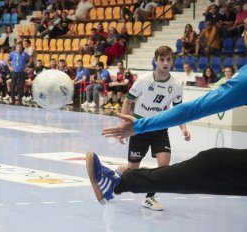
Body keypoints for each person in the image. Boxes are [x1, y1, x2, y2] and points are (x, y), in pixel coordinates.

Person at [86, 64, 247, 204]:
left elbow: (195, 108)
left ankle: (120, 183)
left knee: (212, 164)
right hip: (150, 129)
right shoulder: (145, 80)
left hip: (154, 129)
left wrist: (139, 126)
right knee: (213, 162)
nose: (243, 32)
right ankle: (121, 182)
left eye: (245, 27)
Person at [116, 46, 191, 210]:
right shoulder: (143, 80)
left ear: (172, 61)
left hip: (160, 128)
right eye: (162, 59)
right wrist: (124, 128)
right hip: (140, 127)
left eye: (168, 59)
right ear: (155, 61)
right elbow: (128, 102)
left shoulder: (176, 85)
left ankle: (149, 198)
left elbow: (179, 111)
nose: (165, 63)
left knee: (164, 168)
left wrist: (183, 128)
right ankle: (114, 175)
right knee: (131, 169)